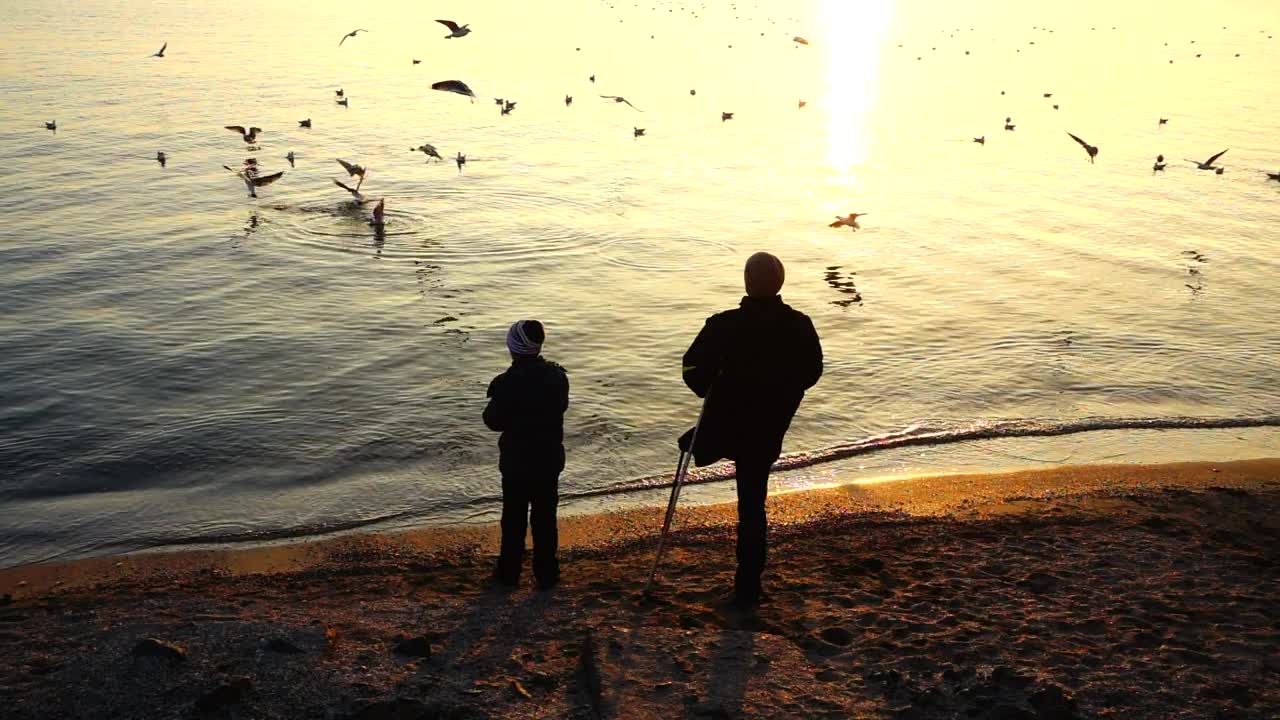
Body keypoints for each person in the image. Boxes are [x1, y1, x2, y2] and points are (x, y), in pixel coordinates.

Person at [680, 252, 823, 606]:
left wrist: (708, 382)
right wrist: (785, 389)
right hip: (769, 424)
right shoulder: (799, 324)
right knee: (753, 502)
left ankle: (747, 584)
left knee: (750, 501)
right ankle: (748, 581)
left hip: (730, 421)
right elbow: (812, 372)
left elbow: (691, 369)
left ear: (747, 281)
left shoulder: (723, 324)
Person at [483, 320, 570, 590]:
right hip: (548, 459)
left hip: (517, 462)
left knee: (513, 518)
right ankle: (546, 573)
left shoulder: (506, 383)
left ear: (513, 347)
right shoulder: (557, 377)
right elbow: (562, 407)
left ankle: (509, 573)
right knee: (545, 517)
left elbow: (492, 421)